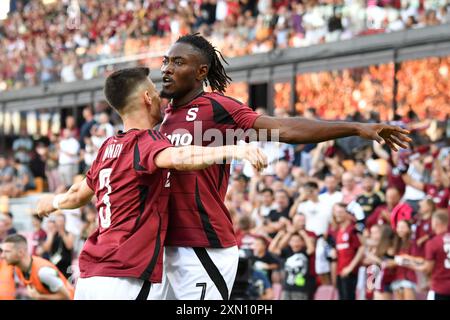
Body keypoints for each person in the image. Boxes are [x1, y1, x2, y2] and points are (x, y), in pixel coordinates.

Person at [150, 33, 410, 300]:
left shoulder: (218, 107)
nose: (167, 68)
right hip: (165, 245)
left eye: (178, 62)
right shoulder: (163, 118)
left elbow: (284, 129)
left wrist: (354, 128)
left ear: (201, 71)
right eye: (166, 61)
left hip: (202, 245)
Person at [36, 67, 267, 300]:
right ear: (147, 97)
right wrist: (234, 149)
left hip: (90, 275)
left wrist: (53, 202)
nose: (162, 98)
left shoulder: (107, 148)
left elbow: (76, 195)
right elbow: (180, 158)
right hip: (125, 276)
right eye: (155, 92)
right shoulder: (147, 141)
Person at [1, 234, 74, 300]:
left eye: (7, 252)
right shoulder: (18, 268)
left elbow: (67, 296)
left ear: (21, 253)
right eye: (2, 251)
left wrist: (39, 296)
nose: (2, 256)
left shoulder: (43, 272)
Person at [409, 211, 450, 300]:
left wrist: (410, 265)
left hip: (440, 288)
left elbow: (427, 268)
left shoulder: (433, 242)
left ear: (435, 223)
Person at [331, 203, 365, 300]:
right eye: (336, 212)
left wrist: (350, 267)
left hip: (349, 271)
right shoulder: (338, 231)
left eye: (341, 212)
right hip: (339, 270)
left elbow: (361, 247)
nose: (338, 215)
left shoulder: (352, 230)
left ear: (348, 214)